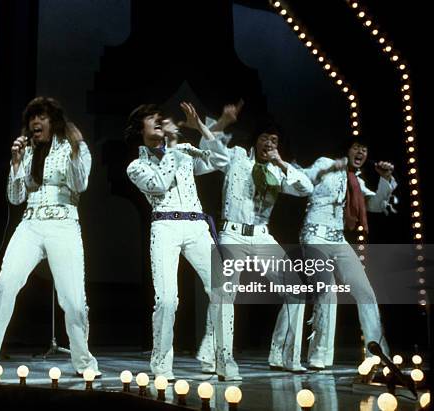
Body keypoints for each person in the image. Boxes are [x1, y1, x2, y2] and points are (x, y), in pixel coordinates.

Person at [0, 97, 99, 381]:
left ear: (53, 121)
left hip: (64, 222)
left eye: (41, 117)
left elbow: (81, 184)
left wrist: (77, 148)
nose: (35, 123)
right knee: (4, 286)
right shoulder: (27, 151)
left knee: (74, 301)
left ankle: (84, 361)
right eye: (32, 118)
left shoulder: (72, 147)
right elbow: (15, 197)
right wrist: (15, 164)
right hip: (30, 222)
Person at [194, 103, 314, 373]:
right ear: (255, 140)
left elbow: (306, 188)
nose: (269, 144)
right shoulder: (237, 157)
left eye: (274, 141)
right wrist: (222, 121)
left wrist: (281, 162)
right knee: (224, 295)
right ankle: (217, 356)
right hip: (233, 234)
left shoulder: (277, 170)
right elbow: (211, 151)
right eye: (265, 138)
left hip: (262, 236)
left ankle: (284, 355)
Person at [125, 102, 240, 381]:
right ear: (140, 128)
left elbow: (220, 161)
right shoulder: (136, 165)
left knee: (223, 289)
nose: (159, 122)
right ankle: (162, 365)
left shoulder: (185, 151)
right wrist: (174, 148)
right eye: (151, 119)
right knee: (167, 300)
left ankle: (223, 359)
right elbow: (160, 185)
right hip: (165, 226)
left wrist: (200, 126)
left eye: (160, 118)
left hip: (197, 226)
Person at [300, 139, 396, 369]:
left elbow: (374, 205)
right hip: (315, 235)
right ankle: (319, 356)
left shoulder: (356, 181)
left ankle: (377, 354)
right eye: (356, 147)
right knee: (327, 293)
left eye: (365, 148)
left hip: (338, 239)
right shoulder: (326, 163)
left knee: (365, 292)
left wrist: (385, 179)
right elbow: (306, 178)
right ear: (346, 149)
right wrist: (330, 168)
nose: (361, 151)